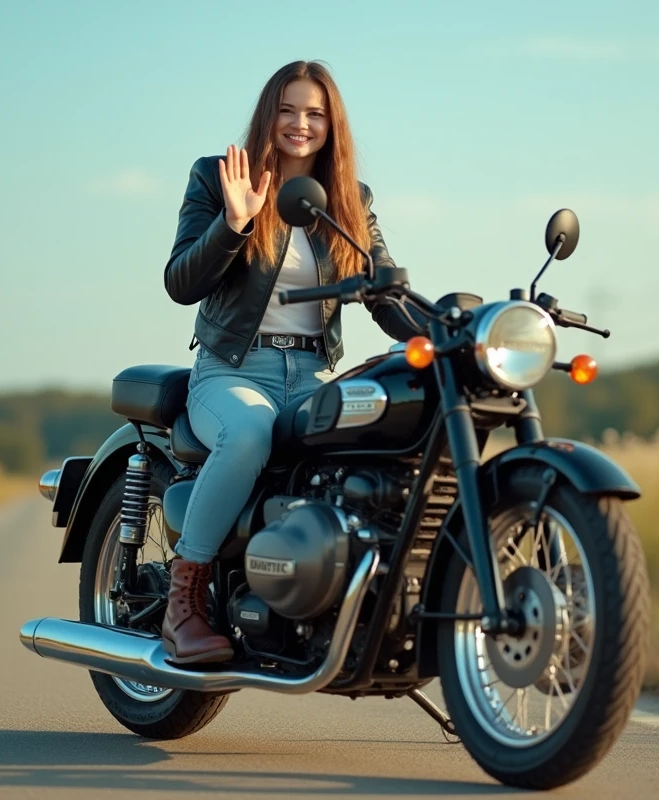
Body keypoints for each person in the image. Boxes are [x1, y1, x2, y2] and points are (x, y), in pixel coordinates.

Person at [160, 60, 421, 663]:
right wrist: (234, 221)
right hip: (231, 372)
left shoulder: (350, 199)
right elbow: (180, 283)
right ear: (267, 114)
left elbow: (382, 291)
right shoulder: (218, 177)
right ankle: (183, 603)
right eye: (287, 109)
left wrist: (448, 330)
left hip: (311, 375)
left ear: (333, 125)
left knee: (377, 440)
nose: (300, 124)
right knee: (248, 432)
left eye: (315, 113)